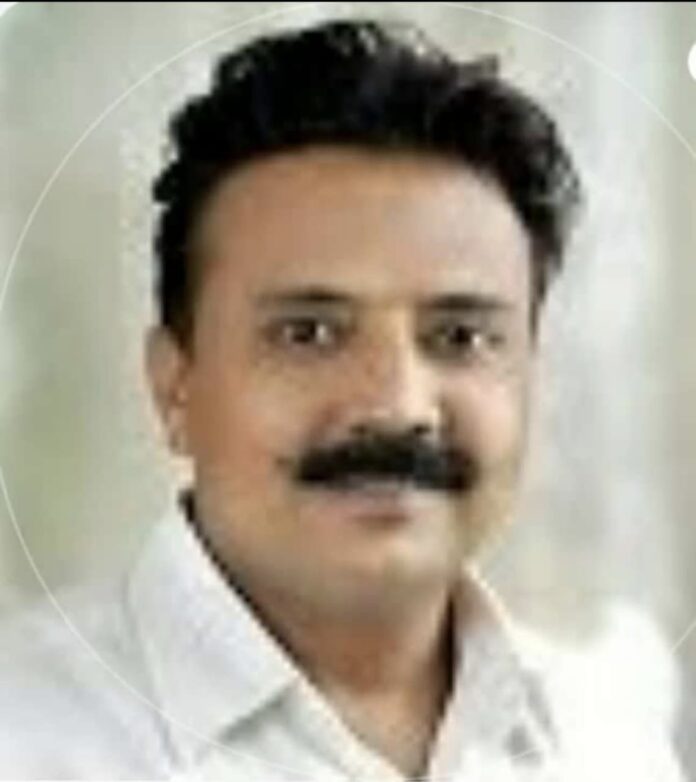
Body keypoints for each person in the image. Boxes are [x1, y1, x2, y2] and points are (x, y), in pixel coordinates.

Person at [0, 17, 684, 781]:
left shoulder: (610, 742)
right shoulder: (23, 736)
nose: (396, 406)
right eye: (310, 333)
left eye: (460, 336)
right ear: (174, 384)